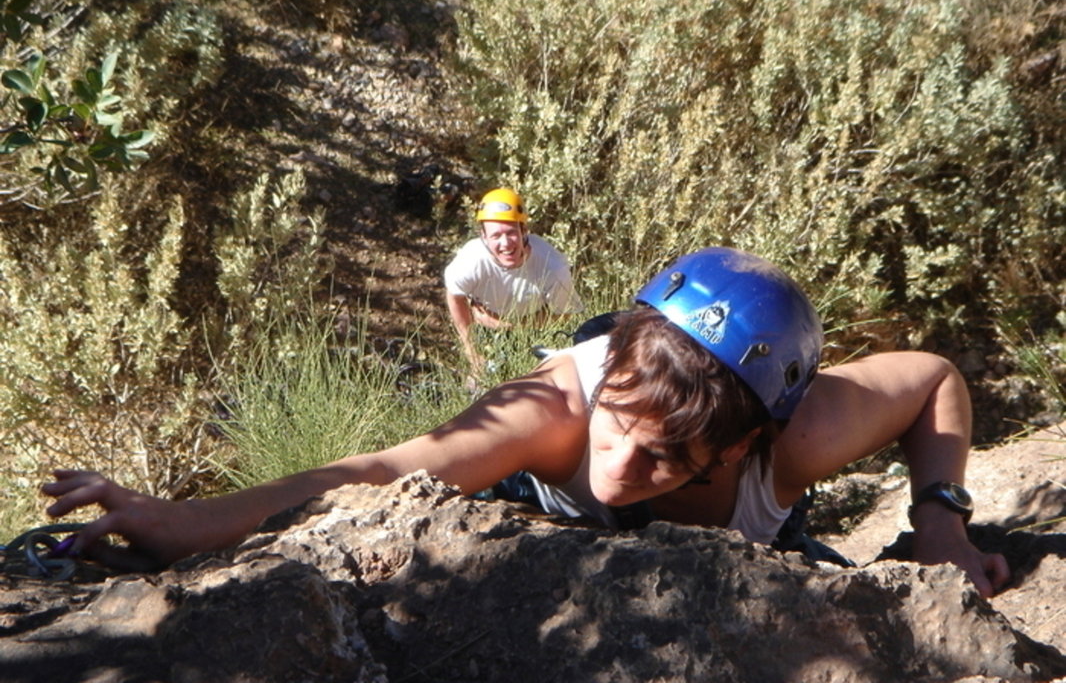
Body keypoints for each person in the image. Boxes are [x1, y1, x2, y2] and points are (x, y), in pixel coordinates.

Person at [41, 247, 1010, 597]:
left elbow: (932, 378)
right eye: (620, 423)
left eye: (670, 457)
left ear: (744, 442)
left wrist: (939, 524)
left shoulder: (791, 435)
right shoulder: (556, 409)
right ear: (610, 369)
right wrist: (174, 520)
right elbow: (376, 469)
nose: (622, 465)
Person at [443, 187, 583, 373]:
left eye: (511, 233)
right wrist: (471, 351)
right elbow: (454, 295)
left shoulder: (552, 266)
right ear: (483, 237)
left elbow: (565, 313)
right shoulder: (471, 260)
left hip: (537, 331)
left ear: (524, 230)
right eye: (495, 236)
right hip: (484, 332)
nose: (505, 243)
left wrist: (509, 325)